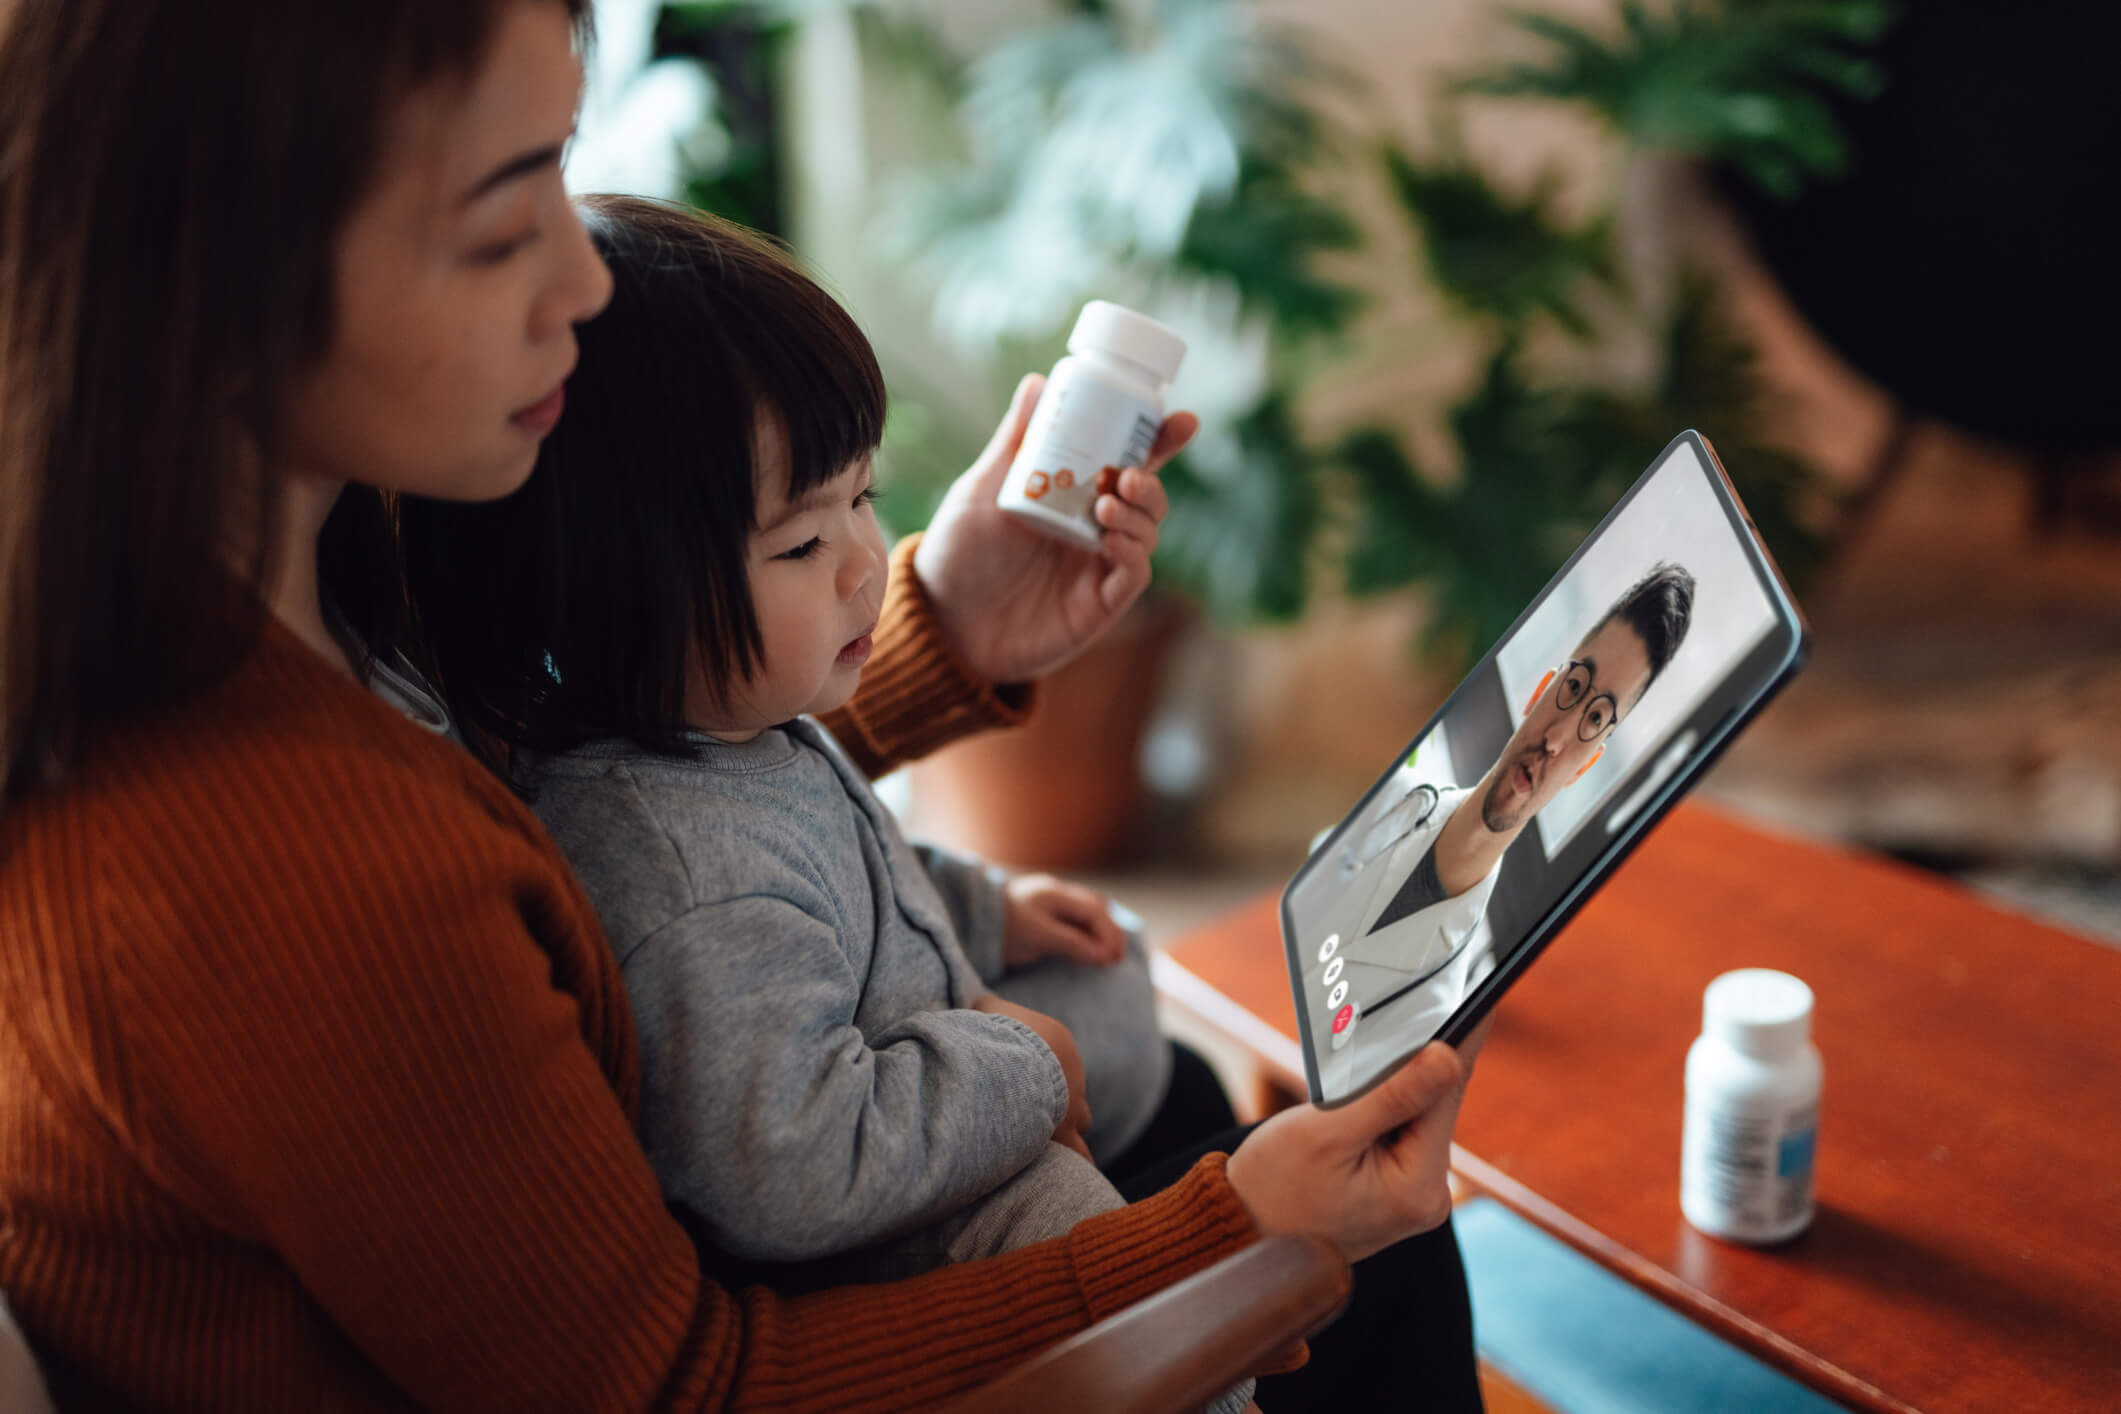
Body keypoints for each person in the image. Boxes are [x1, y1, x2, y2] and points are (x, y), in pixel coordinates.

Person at [0, 2, 1485, 1411]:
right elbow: (685, 1385)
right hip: (732, 1328)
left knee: (1198, 1103)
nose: (582, 287)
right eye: (504, 221)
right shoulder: (277, 878)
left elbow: (617, 817)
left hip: (724, 1228)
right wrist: (1224, 1245)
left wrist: (939, 628)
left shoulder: (329, 555)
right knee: (1370, 1246)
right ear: (233, 272)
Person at [398, 195, 1203, 1298]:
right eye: (802, 541)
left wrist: (979, 910)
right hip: (896, 1230)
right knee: (1094, 1208)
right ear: (614, 594)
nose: (867, 562)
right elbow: (793, 1167)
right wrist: (1024, 1066)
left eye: (863, 496)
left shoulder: (734, 727)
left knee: (1109, 972)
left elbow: (854, 876)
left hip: (913, 1040)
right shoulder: (687, 885)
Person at [1300, 564, 1696, 1083]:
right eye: (1575, 686)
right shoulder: (1383, 806)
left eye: (1596, 720)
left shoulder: (1451, 1003)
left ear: (1590, 764)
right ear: (1539, 693)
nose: (1557, 737)